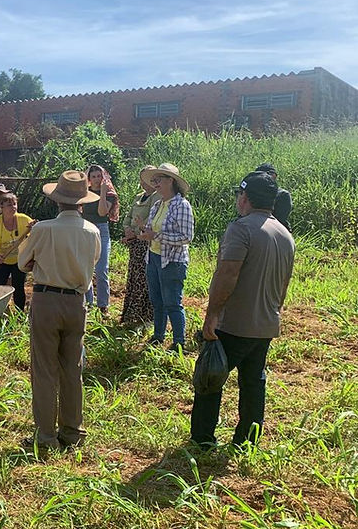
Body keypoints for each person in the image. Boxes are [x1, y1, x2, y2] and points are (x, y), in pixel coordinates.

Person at [190, 171, 294, 448]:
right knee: (253, 382)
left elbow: (227, 274)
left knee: (210, 379)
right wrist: (273, 312)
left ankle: (203, 439)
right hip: (265, 324)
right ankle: (247, 440)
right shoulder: (285, 234)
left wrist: (212, 314)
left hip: (234, 323)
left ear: (244, 197)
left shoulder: (242, 228)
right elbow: (283, 285)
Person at [17, 170, 100, 453]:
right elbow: (93, 262)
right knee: (72, 368)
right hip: (77, 302)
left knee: (44, 370)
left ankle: (46, 435)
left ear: (56, 201)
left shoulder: (43, 229)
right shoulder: (93, 231)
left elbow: (21, 262)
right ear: (82, 202)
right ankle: (72, 430)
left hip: (47, 300)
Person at [140, 163, 194, 353]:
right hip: (154, 257)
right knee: (157, 300)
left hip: (172, 261)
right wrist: (143, 232)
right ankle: (158, 336)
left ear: (171, 181)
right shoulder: (157, 204)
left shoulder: (181, 205)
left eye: (159, 180)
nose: (155, 184)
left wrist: (155, 236)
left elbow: (186, 237)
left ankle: (179, 342)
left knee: (172, 302)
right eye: (154, 180)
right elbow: (152, 230)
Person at [0, 192, 34, 310]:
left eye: (15, 204)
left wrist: (34, 228)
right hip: (2, 260)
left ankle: (19, 313)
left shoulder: (24, 219)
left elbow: (36, 235)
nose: (13, 207)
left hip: (19, 260)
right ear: (2, 208)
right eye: (9, 205)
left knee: (18, 287)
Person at [120, 166, 157, 327]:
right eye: (141, 179)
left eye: (146, 179)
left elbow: (151, 219)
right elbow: (127, 217)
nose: (143, 182)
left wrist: (135, 232)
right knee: (134, 278)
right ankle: (132, 315)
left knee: (144, 279)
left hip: (145, 242)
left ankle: (146, 318)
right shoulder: (138, 197)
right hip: (134, 243)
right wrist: (127, 229)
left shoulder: (156, 197)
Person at [82, 164, 119, 315]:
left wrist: (102, 193)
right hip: (85, 230)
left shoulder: (109, 194)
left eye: (99, 176)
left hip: (101, 231)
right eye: (93, 176)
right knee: (86, 269)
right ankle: (88, 304)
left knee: (102, 269)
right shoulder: (85, 193)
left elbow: (102, 211)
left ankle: (103, 306)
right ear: (89, 179)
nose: (96, 179)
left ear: (103, 178)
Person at [255, 163, 292, 232]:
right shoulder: (251, 194)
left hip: (277, 232)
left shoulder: (282, 195)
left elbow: (280, 219)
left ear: (274, 176)